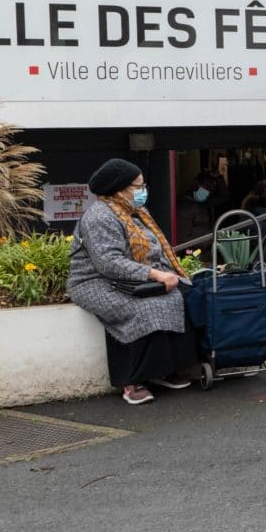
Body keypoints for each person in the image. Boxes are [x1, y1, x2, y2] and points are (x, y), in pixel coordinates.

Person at [66, 159, 199, 406]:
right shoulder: (99, 216)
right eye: (138, 186)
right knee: (142, 309)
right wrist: (155, 275)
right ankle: (132, 381)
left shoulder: (135, 212)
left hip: (134, 278)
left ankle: (164, 370)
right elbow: (109, 263)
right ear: (119, 189)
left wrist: (170, 274)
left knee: (179, 297)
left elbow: (156, 248)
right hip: (95, 282)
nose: (143, 190)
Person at [175, 170, 224, 247]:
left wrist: (219, 178)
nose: (208, 193)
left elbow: (224, 197)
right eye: (206, 187)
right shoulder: (184, 206)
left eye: (211, 190)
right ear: (196, 184)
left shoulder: (205, 202)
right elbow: (183, 241)